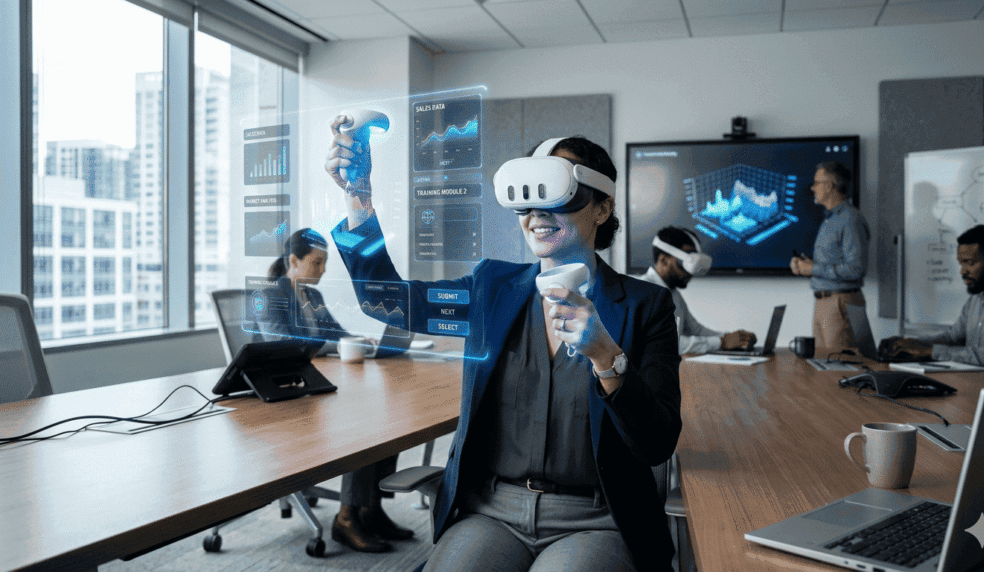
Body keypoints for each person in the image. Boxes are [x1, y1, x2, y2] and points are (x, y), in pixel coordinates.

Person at [326, 125, 682, 572]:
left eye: (558, 195)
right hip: (492, 510)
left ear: (603, 207)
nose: (536, 214)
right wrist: (358, 197)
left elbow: (657, 443)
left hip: (597, 519)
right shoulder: (491, 288)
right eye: (526, 200)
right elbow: (389, 302)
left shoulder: (647, 306)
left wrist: (607, 359)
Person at [262, 228, 414, 553]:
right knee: (363, 422)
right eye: (317, 262)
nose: (323, 269)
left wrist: (361, 339)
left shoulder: (313, 297)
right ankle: (346, 519)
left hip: (318, 384)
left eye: (324, 262)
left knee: (386, 411)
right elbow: (283, 346)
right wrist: (334, 343)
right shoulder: (269, 295)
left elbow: (336, 333)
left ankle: (369, 509)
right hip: (288, 396)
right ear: (293, 261)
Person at [880, 225, 984, 374]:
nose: (963, 271)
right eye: (961, 263)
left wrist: (930, 350)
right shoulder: (978, 297)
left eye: (970, 263)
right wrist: (911, 343)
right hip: (974, 383)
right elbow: (953, 337)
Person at [789, 161, 871, 351]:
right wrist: (806, 267)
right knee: (824, 369)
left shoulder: (850, 219)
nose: (812, 187)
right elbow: (832, 262)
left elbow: (856, 269)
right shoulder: (830, 219)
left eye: (816, 183)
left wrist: (813, 268)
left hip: (840, 304)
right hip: (824, 303)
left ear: (829, 185)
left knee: (840, 370)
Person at [638, 226, 756, 353]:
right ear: (664, 261)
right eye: (688, 263)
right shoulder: (644, 291)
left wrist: (734, 339)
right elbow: (664, 343)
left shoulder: (673, 293)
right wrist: (722, 342)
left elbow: (696, 330)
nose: (691, 273)